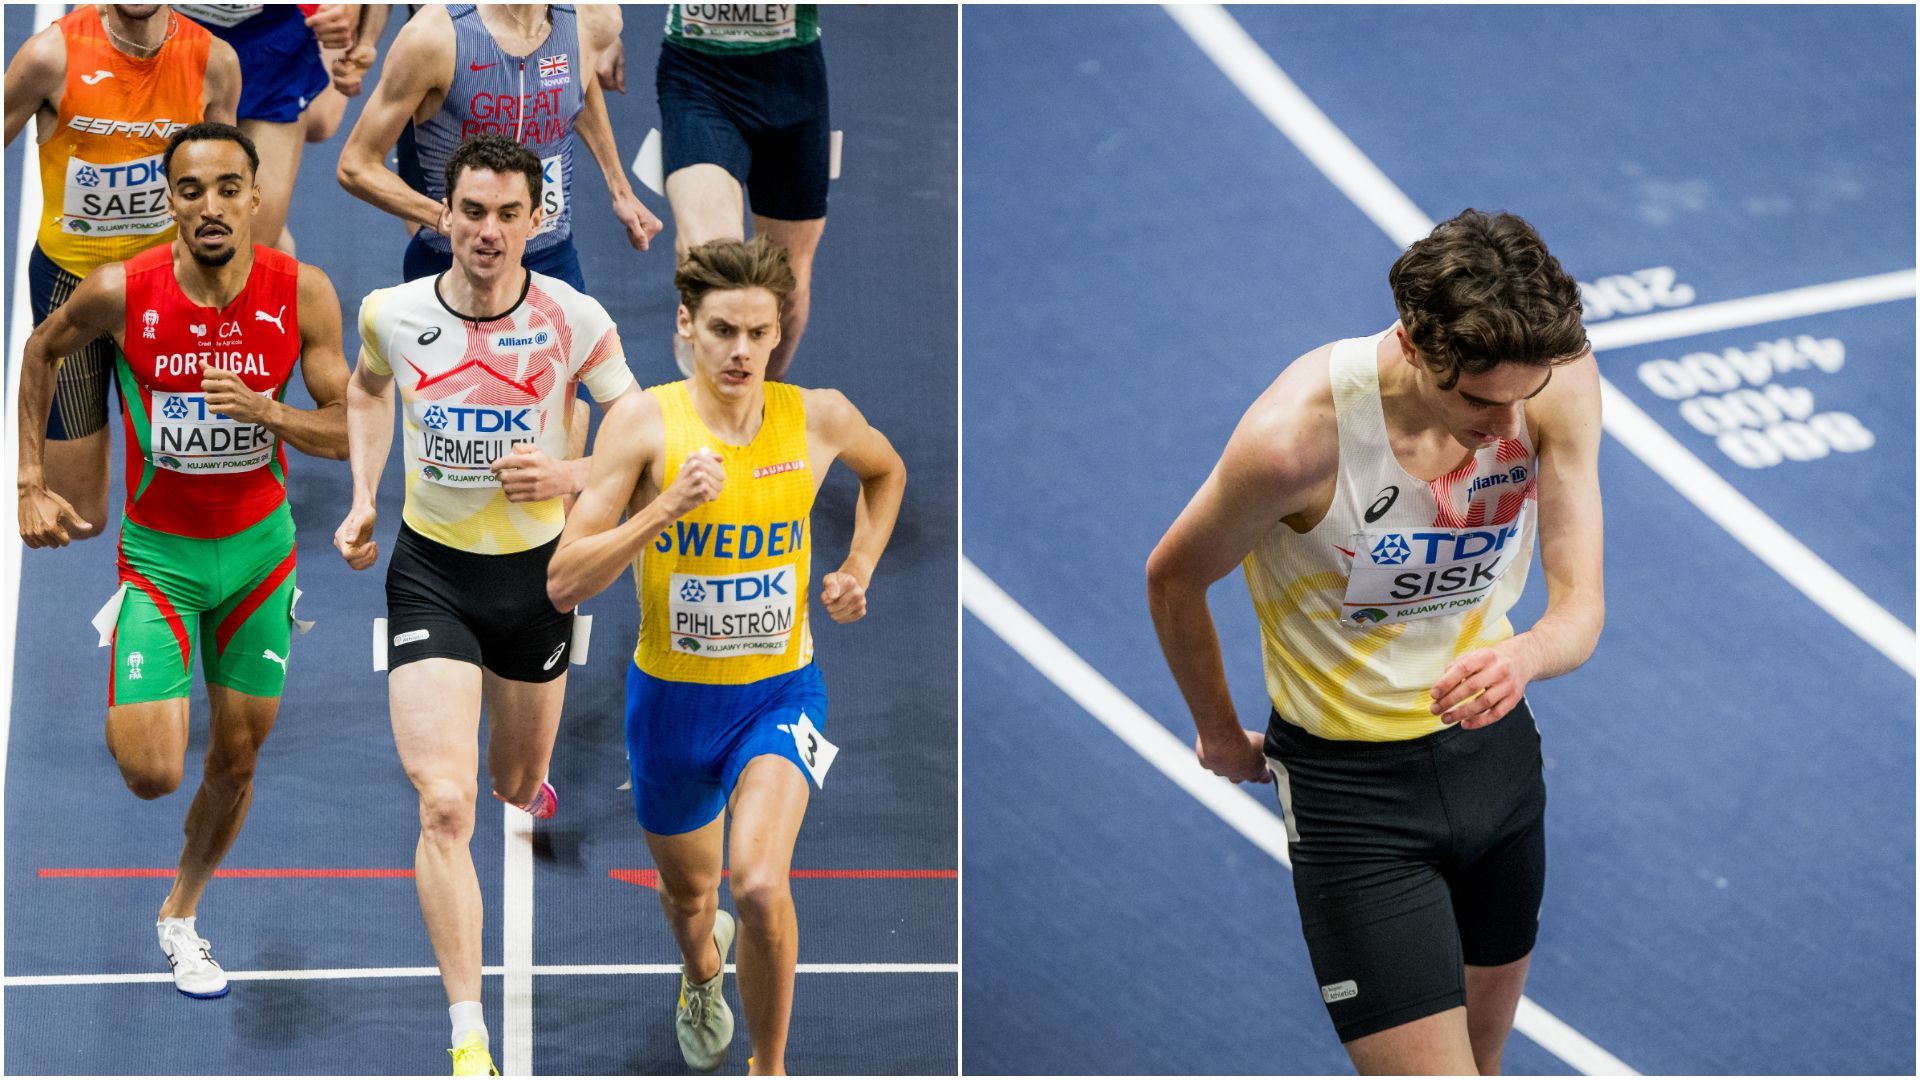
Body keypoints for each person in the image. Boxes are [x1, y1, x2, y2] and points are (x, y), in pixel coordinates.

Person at [1145, 209, 1604, 1076]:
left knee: (1484, 1062)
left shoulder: (1556, 382)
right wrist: (1216, 733)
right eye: (1478, 399)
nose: (1507, 426)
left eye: (1523, 396)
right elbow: (1173, 578)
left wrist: (1526, 655)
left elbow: (1580, 608)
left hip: (1495, 766)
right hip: (1353, 801)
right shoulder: (1295, 443)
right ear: (1414, 343)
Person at [546, 236, 906, 1075]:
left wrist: (857, 565)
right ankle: (702, 968)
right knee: (691, 898)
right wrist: (663, 507)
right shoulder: (642, 425)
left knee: (757, 882)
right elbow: (564, 580)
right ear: (686, 325)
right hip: (670, 706)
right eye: (722, 331)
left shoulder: (818, 418)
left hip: (779, 696)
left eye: (758, 332)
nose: (741, 351)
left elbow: (885, 475)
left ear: (780, 332)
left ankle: (767, 1066)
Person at [15, 121, 351, 998]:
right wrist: (26, 478)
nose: (209, 206)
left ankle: (182, 916)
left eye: (227, 188)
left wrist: (267, 413)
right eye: (190, 190)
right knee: (153, 774)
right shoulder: (122, 292)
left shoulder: (303, 292)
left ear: (254, 195)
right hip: (161, 559)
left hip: (261, 562)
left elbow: (352, 426)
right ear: (169, 201)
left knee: (235, 762)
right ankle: (135, 665)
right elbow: (42, 350)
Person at [332, 134, 638, 1077]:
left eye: (509, 214)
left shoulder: (574, 319)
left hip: (538, 582)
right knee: (447, 804)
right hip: (431, 571)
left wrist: (573, 470)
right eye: (472, 211)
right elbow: (367, 390)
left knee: (512, 782)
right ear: (445, 213)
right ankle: (469, 1032)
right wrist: (362, 495)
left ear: (537, 220)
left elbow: (642, 428)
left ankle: (529, 778)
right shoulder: (392, 311)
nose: (489, 231)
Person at [2, 3, 240, 543]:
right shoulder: (50, 56)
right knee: (81, 514)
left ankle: (154, 602)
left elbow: (229, 182)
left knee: (191, 488)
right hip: (71, 287)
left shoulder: (214, 62)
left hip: (168, 287)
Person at [336, 3, 662, 291]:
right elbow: (356, 164)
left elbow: (579, 80)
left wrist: (620, 188)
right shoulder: (433, 36)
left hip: (550, 258)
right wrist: (445, 218)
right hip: (451, 264)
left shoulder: (593, 20)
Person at [657, 3, 828, 380]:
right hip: (699, 74)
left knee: (788, 282)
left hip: (792, 77)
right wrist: (600, 25)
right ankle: (709, 415)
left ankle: (761, 400)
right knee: (715, 262)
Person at [174, 3, 352, 254]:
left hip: (273, 48)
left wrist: (349, 16)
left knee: (247, 247)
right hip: (171, 40)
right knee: (154, 230)